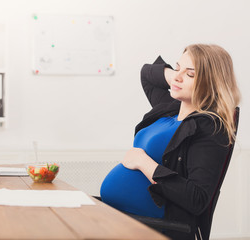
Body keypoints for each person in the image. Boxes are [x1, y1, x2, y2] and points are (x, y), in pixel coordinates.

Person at [100, 44, 241, 240]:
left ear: (211, 82)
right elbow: (147, 74)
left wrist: (144, 163)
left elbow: (197, 198)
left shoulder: (210, 128)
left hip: (155, 229)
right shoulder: (168, 108)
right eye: (177, 67)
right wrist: (180, 74)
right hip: (122, 220)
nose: (177, 77)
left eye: (191, 75)